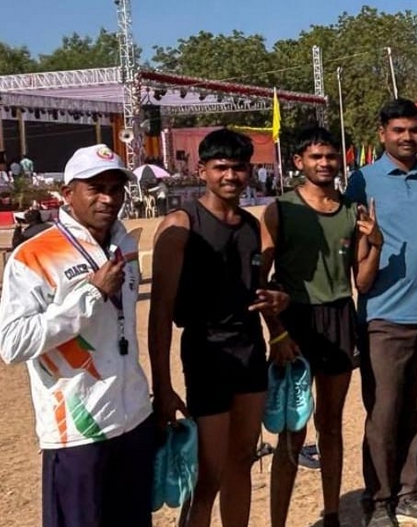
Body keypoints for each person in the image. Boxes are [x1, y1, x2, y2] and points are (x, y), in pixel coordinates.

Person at [0, 144, 154, 527]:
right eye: (95, 188)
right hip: (77, 434)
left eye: (116, 189)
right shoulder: (33, 256)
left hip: (132, 420)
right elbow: (13, 343)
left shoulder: (125, 244)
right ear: (68, 193)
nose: (108, 199)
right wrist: (90, 295)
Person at [148, 129, 288, 527]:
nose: (230, 176)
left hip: (249, 350)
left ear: (250, 171)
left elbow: (258, 291)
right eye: (221, 167)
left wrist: (278, 320)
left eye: (239, 167)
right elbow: (160, 315)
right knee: (207, 474)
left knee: (242, 459)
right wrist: (163, 387)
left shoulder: (251, 226)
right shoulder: (180, 225)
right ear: (202, 170)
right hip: (207, 353)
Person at [263, 127, 383, 527]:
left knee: (330, 425)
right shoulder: (281, 210)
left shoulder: (352, 211)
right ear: (299, 162)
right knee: (292, 430)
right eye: (316, 157)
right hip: (295, 321)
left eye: (331, 156)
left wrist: (377, 243)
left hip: (338, 319)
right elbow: (261, 282)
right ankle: (278, 521)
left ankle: (332, 515)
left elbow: (362, 281)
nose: (325, 163)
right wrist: (277, 332)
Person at [345, 98, 417, 527]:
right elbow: (354, 251)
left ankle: (409, 494)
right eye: (398, 130)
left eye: (414, 129)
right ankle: (378, 500)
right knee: (383, 415)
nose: (408, 137)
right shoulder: (362, 180)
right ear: (382, 134)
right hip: (383, 318)